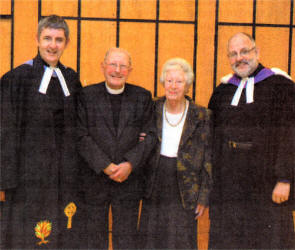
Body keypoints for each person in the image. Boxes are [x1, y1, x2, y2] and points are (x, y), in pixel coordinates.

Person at [0, 15, 83, 249]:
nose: (52, 45)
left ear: (66, 43)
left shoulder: (71, 79)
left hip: (65, 179)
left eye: (59, 40)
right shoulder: (16, 78)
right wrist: (6, 180)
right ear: (37, 39)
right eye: (47, 38)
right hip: (29, 180)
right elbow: (5, 131)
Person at [208, 32, 295, 249]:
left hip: (267, 184)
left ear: (256, 52)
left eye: (244, 51)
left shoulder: (281, 87)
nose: (240, 58)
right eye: (233, 54)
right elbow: (210, 139)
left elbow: (290, 135)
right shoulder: (222, 92)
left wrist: (285, 178)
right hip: (229, 185)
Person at [77, 47, 156, 249]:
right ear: (103, 67)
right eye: (113, 64)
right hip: (95, 180)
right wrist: (105, 165)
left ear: (130, 70)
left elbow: (151, 137)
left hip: (129, 181)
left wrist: (129, 164)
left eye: (123, 66)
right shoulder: (86, 96)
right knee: (92, 240)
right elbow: (80, 135)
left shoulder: (142, 96)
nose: (117, 70)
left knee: (127, 240)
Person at [140, 58, 213, 249]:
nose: (173, 86)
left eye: (179, 82)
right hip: (154, 182)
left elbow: (208, 159)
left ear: (187, 86)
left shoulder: (202, 115)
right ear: (163, 83)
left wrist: (204, 197)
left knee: (181, 241)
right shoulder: (152, 108)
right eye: (169, 81)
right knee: (151, 240)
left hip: (186, 188)